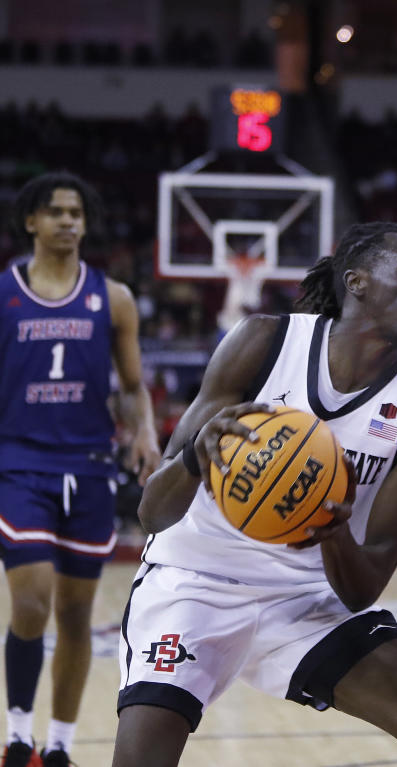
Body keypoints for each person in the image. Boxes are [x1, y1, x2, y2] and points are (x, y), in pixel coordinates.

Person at [111, 222, 397, 767]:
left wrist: (333, 535)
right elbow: (152, 514)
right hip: (195, 579)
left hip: (306, 596)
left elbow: (363, 587)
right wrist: (194, 457)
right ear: (356, 281)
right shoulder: (263, 341)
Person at [0, 172, 162, 767]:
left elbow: (132, 386)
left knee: (75, 615)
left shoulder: (112, 297)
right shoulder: (4, 293)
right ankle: (18, 734)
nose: (69, 221)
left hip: (90, 465)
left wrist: (143, 431)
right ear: (31, 222)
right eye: (56, 212)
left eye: (77, 213)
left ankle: (61, 744)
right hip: (19, 462)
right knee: (34, 601)